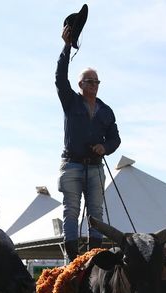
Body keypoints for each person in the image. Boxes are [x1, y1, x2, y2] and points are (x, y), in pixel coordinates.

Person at [55, 22, 121, 261]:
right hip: (72, 164)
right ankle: (72, 259)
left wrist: (105, 147)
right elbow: (60, 79)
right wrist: (66, 48)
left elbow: (115, 138)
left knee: (96, 213)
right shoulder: (71, 101)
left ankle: (95, 258)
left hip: (95, 167)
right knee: (71, 212)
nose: (93, 84)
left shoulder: (106, 111)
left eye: (96, 81)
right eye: (89, 81)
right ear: (80, 84)